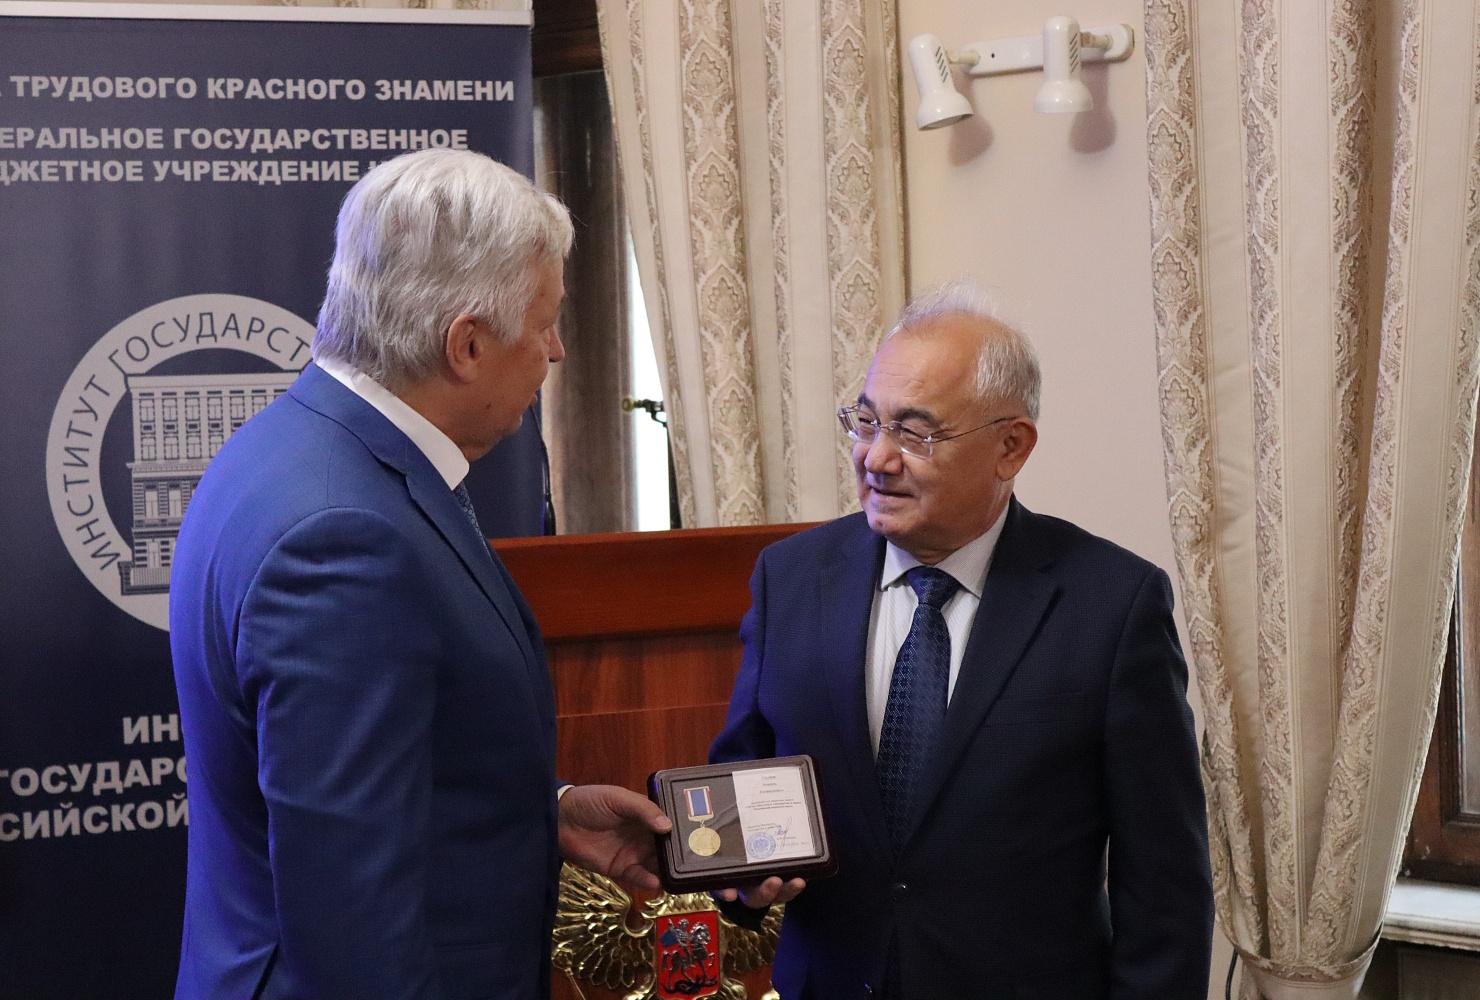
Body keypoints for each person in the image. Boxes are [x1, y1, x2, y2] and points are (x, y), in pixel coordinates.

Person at [170, 148, 673, 1000]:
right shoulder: (344, 536)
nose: (555, 351)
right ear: (467, 344)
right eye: (544, 323)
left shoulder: (303, 447)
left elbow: (370, 780)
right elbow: (351, 921)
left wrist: (545, 809)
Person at [710, 281, 1214, 999]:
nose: (877, 458)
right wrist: (739, 878)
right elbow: (744, 777)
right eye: (866, 422)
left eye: (915, 433)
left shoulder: (1111, 606)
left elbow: (1164, 885)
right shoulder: (790, 579)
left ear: (1011, 447)